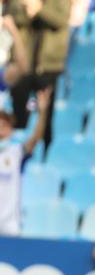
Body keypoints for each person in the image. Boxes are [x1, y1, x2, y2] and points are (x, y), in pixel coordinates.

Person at [7, 0, 69, 147]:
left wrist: (38, 8)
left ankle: (44, 152)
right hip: (23, 64)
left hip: (48, 65)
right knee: (18, 114)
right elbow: (13, 19)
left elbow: (60, 21)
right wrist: (29, 5)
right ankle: (15, 153)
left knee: (46, 115)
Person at [0, 89, 49, 237]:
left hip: (10, 223)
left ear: (11, 130)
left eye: (4, 126)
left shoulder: (16, 152)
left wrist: (42, 112)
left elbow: (36, 138)